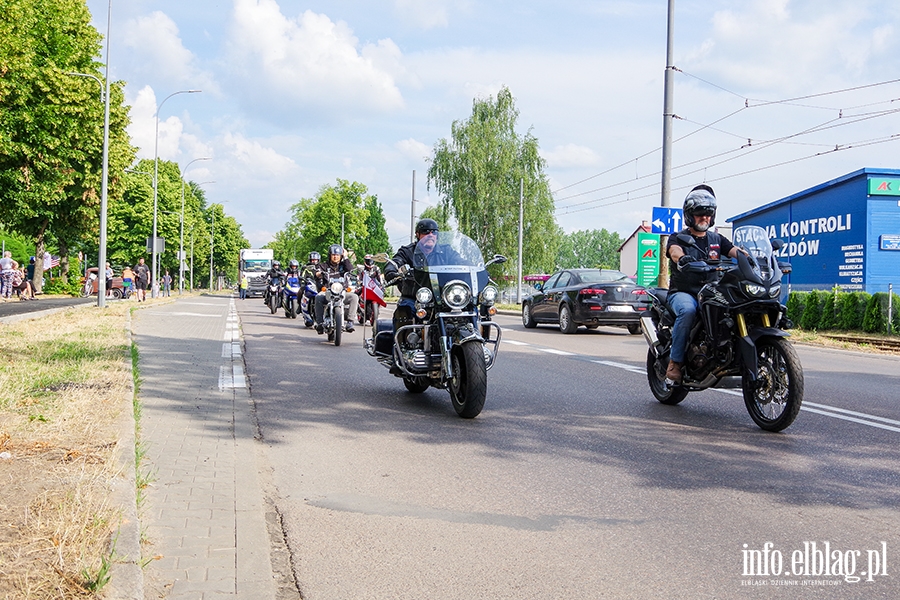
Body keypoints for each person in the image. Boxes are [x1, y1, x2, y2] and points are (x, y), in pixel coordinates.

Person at [664, 185, 742, 384]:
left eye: (708, 214)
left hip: (711, 292)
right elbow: (674, 251)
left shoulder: (717, 239)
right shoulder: (678, 237)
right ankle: (675, 362)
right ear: (690, 215)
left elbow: (735, 251)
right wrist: (682, 259)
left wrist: (753, 259)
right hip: (683, 292)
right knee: (688, 311)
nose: (704, 218)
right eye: (699, 214)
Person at [383, 218, 463, 337]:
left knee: (468, 308)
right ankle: (400, 349)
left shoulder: (446, 251)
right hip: (415, 297)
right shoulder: (407, 251)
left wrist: (476, 269)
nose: (430, 235)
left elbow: (461, 262)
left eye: (434, 232)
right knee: (404, 311)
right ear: (418, 234)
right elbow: (395, 262)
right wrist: (392, 271)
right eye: (426, 232)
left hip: (442, 298)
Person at [313, 244, 359, 334]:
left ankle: (350, 322)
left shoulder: (344, 265)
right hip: (328, 291)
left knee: (354, 297)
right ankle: (319, 323)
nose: (335, 257)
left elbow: (351, 269)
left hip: (342, 292)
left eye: (337, 255)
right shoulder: (324, 266)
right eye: (333, 255)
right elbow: (317, 272)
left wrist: (346, 257)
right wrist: (318, 274)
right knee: (318, 297)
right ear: (330, 255)